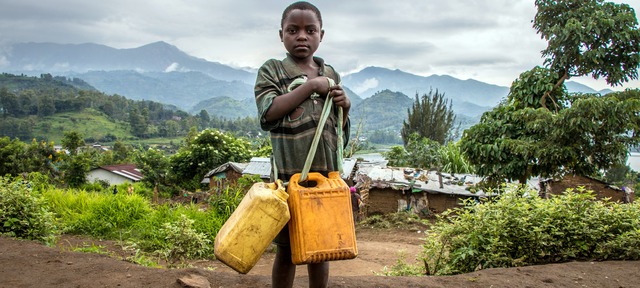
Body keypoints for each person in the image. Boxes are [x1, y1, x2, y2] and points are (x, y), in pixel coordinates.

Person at [254, 2, 350, 287]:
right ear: (281, 34)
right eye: (293, 30)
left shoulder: (329, 71)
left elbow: (337, 124)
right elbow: (268, 113)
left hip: (326, 177)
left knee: (321, 247)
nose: (302, 36)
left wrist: (345, 105)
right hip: (288, 177)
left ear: (322, 34)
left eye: (310, 30)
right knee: (287, 248)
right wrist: (310, 86)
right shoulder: (272, 70)